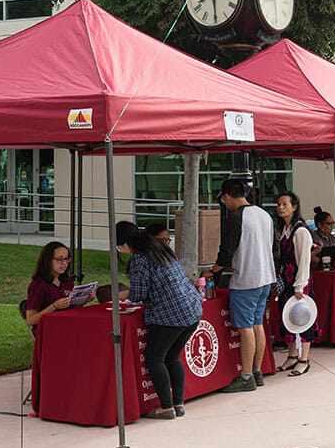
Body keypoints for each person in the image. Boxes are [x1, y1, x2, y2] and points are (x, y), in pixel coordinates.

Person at [115, 221, 202, 419]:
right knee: (172, 357)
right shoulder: (159, 247)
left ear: (124, 243)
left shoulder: (139, 257)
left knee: (155, 358)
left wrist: (123, 294)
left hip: (169, 315)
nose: (121, 251)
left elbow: (139, 292)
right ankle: (178, 404)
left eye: (119, 247)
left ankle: (166, 407)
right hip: (192, 309)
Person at [202, 178, 275, 393]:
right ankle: (257, 371)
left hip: (246, 280)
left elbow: (226, 251)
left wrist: (213, 270)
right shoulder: (264, 215)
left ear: (226, 196)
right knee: (257, 324)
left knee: (245, 328)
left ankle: (245, 376)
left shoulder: (236, 218)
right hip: (266, 277)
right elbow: (274, 245)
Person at [274, 191, 318, 374]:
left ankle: (304, 358)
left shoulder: (300, 231)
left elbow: (304, 260)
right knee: (287, 318)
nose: (281, 208)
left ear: (294, 207)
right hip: (286, 279)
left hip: (298, 281)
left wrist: (300, 285)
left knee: (302, 317)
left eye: (285, 204)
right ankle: (292, 356)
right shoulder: (284, 229)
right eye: (279, 204)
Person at [24, 241, 92, 328]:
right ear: (48, 260)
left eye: (67, 259)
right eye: (59, 259)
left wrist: (83, 299)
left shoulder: (67, 281)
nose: (64, 263)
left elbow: (72, 308)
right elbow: (30, 320)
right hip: (49, 329)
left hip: (67, 325)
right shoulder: (38, 285)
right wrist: (54, 306)